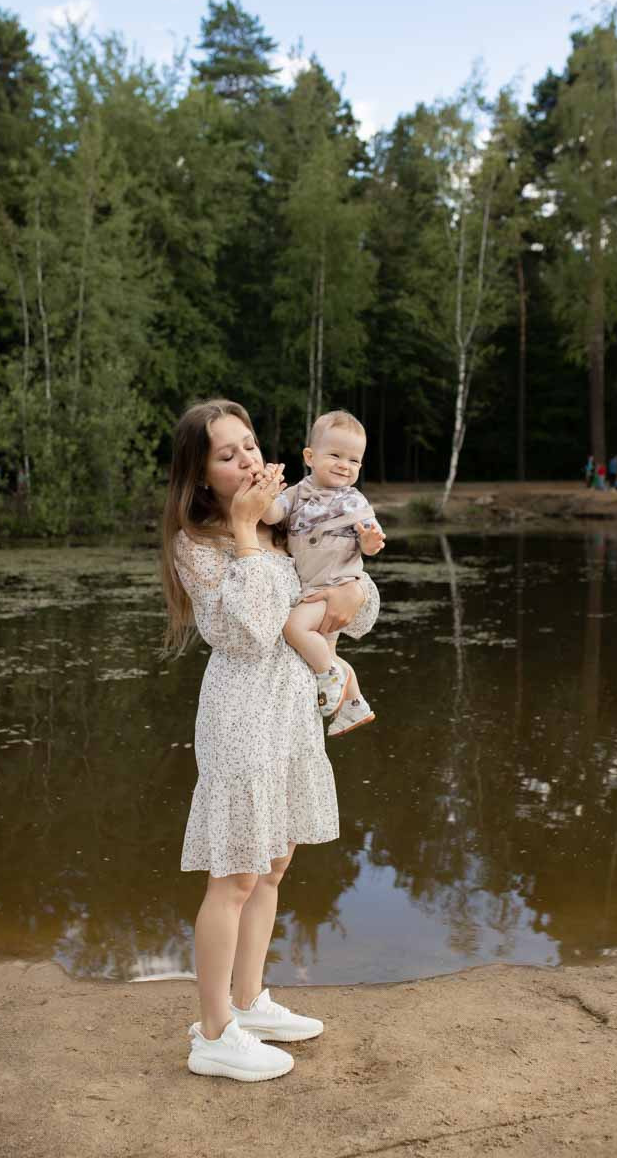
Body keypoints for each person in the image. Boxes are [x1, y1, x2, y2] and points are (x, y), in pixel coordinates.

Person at [162, 400, 380, 1082]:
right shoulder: (196, 544)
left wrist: (355, 597)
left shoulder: (290, 517)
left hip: (289, 715)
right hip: (239, 719)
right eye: (227, 456)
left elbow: (350, 597)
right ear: (201, 478)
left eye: (249, 445)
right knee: (234, 876)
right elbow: (252, 629)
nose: (248, 461)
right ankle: (213, 1031)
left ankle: (251, 1000)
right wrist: (248, 531)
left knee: (274, 867)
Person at [261, 410, 385, 738]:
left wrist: (370, 542)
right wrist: (264, 496)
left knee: (293, 628)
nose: (344, 465)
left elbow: (371, 541)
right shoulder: (298, 494)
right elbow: (274, 515)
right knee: (324, 650)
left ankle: (329, 674)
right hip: (314, 587)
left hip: (337, 585)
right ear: (310, 457)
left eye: (354, 460)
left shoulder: (354, 501)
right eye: (335, 455)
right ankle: (354, 704)